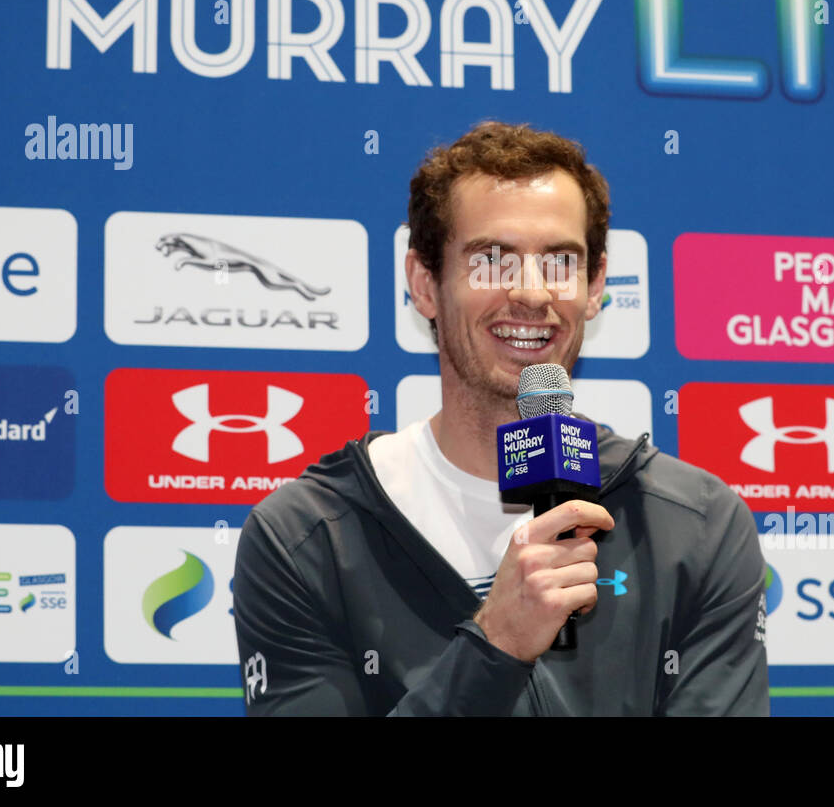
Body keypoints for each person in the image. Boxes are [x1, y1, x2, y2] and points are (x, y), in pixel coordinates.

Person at [233, 121, 769, 715]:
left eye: (561, 261)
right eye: (492, 259)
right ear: (424, 284)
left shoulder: (694, 524)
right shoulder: (307, 537)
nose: (533, 294)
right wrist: (496, 646)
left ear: (595, 287)